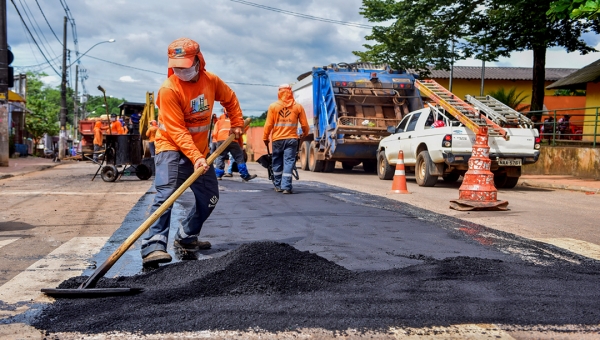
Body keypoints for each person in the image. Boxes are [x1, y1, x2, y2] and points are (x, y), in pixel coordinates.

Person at [140, 37, 245, 266]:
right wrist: (196, 157)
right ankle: (153, 245)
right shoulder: (169, 90)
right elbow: (177, 131)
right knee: (166, 194)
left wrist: (236, 122)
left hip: (200, 151)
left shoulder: (211, 81)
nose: (180, 71)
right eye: (176, 66)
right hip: (171, 148)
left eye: (185, 66)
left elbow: (230, 98)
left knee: (210, 197)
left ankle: (187, 234)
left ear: (198, 60)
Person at [263, 84, 309, 194]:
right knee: (289, 162)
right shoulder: (298, 107)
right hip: (291, 139)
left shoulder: (273, 106)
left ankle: (278, 185)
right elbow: (305, 125)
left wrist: (265, 137)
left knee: (277, 162)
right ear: (290, 92)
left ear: (279, 93)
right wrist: (304, 133)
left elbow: (268, 124)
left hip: (277, 140)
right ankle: (286, 187)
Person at [213, 110, 256, 181]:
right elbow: (239, 136)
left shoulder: (219, 122)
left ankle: (218, 175)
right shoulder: (235, 123)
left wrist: (219, 141)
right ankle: (245, 175)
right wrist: (241, 147)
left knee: (220, 157)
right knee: (239, 157)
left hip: (221, 140)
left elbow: (214, 134)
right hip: (233, 141)